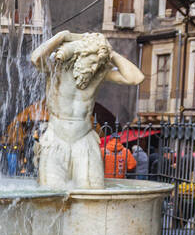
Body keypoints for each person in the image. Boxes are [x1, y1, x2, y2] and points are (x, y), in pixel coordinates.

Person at [30, 32, 144, 188]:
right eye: (91, 62)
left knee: (93, 191)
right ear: (81, 55)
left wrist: (109, 52)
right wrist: (62, 36)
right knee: (51, 194)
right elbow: (35, 58)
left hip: (84, 140)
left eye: (98, 63)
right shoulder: (57, 68)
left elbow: (136, 78)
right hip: (56, 138)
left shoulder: (98, 73)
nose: (93, 67)